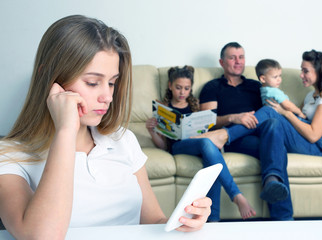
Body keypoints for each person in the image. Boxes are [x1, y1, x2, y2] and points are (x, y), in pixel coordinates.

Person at [0, 15, 211, 239]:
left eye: (112, 82)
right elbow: (42, 236)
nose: (108, 96)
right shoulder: (10, 155)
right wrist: (65, 132)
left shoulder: (123, 139)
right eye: (92, 82)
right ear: (49, 79)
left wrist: (181, 222)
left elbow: (153, 221)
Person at [197, 46, 322, 220]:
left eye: (241, 57)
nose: (238, 61)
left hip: (267, 135)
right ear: (221, 62)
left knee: (272, 121)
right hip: (241, 139)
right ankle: (281, 211)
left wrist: (286, 114)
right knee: (273, 128)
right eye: (232, 57)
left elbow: (309, 128)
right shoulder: (212, 87)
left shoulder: (255, 86)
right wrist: (233, 118)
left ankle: (227, 138)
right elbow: (207, 121)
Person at [146, 66, 256, 222]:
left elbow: (206, 128)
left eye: (186, 88)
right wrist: (152, 132)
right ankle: (236, 195)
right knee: (206, 142)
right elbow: (163, 146)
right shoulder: (163, 108)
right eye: (178, 88)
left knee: (211, 162)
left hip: (197, 144)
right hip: (178, 147)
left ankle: (213, 220)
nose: (182, 92)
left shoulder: (195, 106)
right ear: (170, 86)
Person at [255, 58, 322, 157]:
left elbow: (313, 136)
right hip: (302, 139)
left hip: (317, 148)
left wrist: (285, 113)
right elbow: (298, 120)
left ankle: (235, 134)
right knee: (270, 121)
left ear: (319, 72)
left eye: (305, 71)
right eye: (301, 70)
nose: (301, 75)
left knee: (270, 113)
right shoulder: (310, 95)